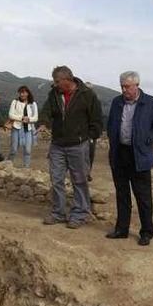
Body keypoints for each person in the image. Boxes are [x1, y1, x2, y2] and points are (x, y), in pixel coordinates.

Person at [105, 71, 153, 246]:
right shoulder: (117, 102)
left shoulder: (151, 103)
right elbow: (111, 124)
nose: (124, 90)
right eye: (122, 86)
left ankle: (147, 232)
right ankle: (121, 229)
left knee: (143, 196)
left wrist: (146, 139)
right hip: (120, 154)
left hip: (139, 155)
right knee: (122, 194)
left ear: (137, 85)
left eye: (127, 86)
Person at [38, 65, 102, 229]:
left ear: (68, 79)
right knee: (56, 179)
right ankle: (58, 213)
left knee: (79, 180)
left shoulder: (87, 95)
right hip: (57, 145)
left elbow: (96, 120)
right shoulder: (54, 94)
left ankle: (79, 214)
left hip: (79, 145)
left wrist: (87, 137)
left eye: (57, 81)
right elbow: (46, 111)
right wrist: (44, 123)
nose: (55, 84)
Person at [7, 86, 39, 167]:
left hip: (28, 129)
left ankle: (26, 168)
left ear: (28, 93)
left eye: (24, 92)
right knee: (14, 149)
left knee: (28, 150)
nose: (22, 94)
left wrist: (28, 119)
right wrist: (21, 118)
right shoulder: (15, 102)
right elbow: (10, 115)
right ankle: (8, 165)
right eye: (21, 92)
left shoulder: (33, 104)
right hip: (16, 128)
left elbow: (36, 118)